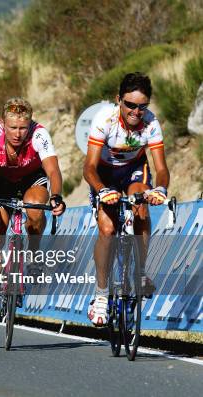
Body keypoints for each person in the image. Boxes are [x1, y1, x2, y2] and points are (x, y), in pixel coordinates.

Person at [83, 72, 169, 327]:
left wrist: (161, 189)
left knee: (141, 205)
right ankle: (100, 295)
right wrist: (101, 190)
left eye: (142, 106)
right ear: (118, 100)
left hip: (133, 171)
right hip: (104, 175)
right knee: (107, 229)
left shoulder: (151, 124)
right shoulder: (105, 119)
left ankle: (141, 273)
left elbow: (161, 168)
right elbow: (88, 167)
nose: (136, 111)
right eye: (130, 105)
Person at [0, 97, 66, 325]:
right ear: (3, 123)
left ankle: (33, 252)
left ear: (30, 124)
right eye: (12, 127)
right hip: (0, 182)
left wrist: (56, 195)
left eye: (23, 128)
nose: (18, 133)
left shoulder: (39, 134)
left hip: (32, 179)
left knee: (35, 212)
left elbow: (53, 170)